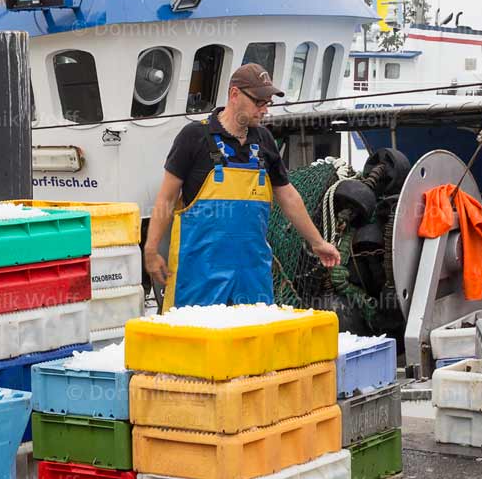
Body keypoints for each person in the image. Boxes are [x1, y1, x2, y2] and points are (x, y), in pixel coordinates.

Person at [144, 63, 340, 309]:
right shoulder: (194, 137)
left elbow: (288, 196)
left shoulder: (264, 141)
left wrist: (318, 243)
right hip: (199, 277)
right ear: (234, 94)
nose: (265, 109)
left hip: (252, 278)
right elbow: (166, 198)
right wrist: (151, 249)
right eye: (259, 102)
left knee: (254, 343)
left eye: (268, 103)